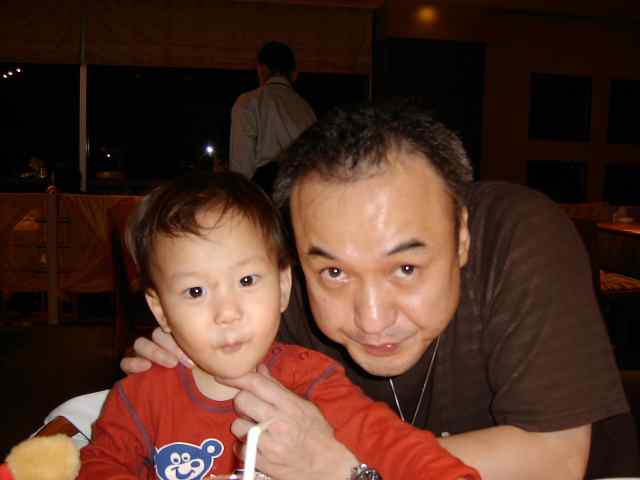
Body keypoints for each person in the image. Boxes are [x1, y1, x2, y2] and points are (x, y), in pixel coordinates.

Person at [125, 101, 636, 479]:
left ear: (461, 236)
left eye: (406, 268)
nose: (372, 320)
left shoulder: (521, 235)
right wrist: (194, 354)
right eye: (334, 273)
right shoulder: (276, 291)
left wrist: (342, 467)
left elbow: (553, 460)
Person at [81, 172, 478, 480]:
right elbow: (99, 465)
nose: (227, 312)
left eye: (247, 280)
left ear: (283, 286)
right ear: (161, 310)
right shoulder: (140, 395)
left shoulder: (313, 381)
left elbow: (394, 445)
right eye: (196, 291)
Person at [229, 41, 316, 195]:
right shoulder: (307, 109)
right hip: (300, 192)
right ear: (294, 74)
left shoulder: (249, 102)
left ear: (262, 69)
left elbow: (241, 166)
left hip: (265, 192)